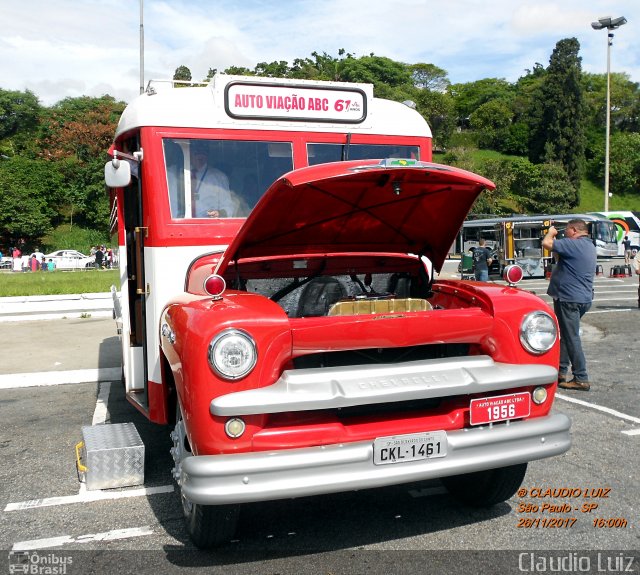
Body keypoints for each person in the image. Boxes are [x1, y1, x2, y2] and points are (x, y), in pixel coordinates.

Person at [542, 219, 596, 391]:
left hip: (568, 299)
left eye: (566, 230)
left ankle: (581, 377)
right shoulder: (589, 246)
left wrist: (551, 232)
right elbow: (560, 259)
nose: (564, 233)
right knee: (566, 334)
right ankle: (560, 370)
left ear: (573, 230)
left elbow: (546, 243)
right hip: (582, 298)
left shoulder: (574, 244)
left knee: (572, 337)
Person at [190, 144, 236, 218]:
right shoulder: (178, 174)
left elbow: (228, 206)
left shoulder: (219, 177)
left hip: (208, 224)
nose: (200, 155)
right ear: (190, 154)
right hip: (182, 224)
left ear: (208, 155)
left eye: (204, 152)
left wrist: (219, 213)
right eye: (196, 152)